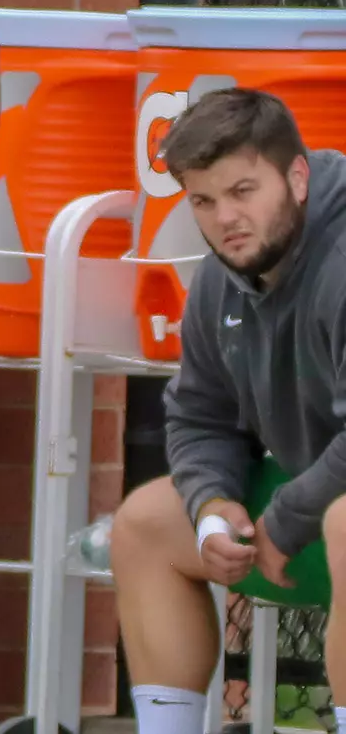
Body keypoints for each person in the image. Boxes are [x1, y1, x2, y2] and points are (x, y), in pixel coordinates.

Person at [108, 88, 346, 734]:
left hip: (328, 516)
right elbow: (200, 417)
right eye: (203, 202)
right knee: (147, 523)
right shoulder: (222, 278)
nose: (224, 219)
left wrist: (290, 516)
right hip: (308, 513)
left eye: (243, 191)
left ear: (297, 176)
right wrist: (212, 507)